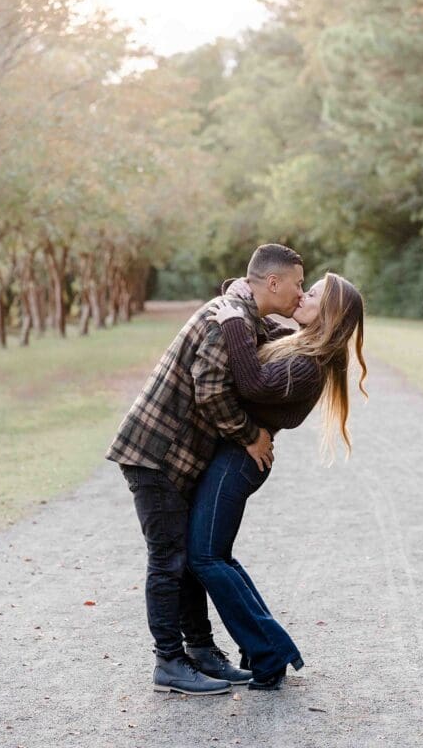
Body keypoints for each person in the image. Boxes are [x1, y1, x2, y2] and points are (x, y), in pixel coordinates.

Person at [106, 243, 305, 695]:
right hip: (155, 451)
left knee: (190, 558)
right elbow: (210, 390)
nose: (300, 291)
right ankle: (169, 663)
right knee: (169, 561)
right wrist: (250, 434)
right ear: (272, 282)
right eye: (297, 282)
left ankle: (200, 651)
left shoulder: (244, 315)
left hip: (178, 455)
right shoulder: (226, 318)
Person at [187, 272, 368, 690]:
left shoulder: (310, 364)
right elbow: (257, 325)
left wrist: (232, 322)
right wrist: (242, 293)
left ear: (331, 312)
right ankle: (263, 649)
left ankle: (269, 653)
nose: (303, 295)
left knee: (207, 557)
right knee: (217, 556)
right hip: (237, 455)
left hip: (241, 461)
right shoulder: (299, 343)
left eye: (314, 293)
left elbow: (252, 381)